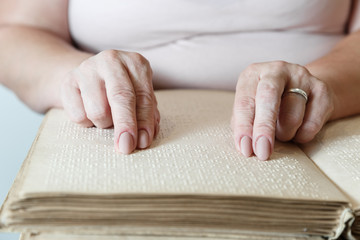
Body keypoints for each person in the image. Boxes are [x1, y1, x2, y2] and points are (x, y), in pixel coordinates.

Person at [1, 0, 360, 161]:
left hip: (327, 128)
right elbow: (15, 32)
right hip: (109, 136)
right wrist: (77, 75)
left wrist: (318, 84)